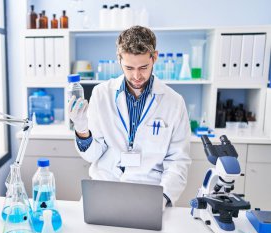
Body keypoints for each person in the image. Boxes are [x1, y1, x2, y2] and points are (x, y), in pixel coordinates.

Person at [68, 26, 191, 208]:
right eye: (129, 67)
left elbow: (178, 161)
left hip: (149, 193)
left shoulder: (174, 102)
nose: (136, 76)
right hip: (105, 186)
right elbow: (93, 154)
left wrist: (161, 200)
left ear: (154, 57)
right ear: (119, 60)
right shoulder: (101, 94)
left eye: (143, 67)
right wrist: (81, 128)